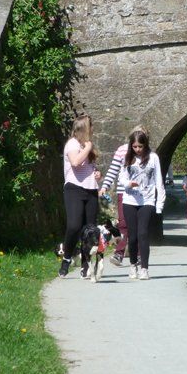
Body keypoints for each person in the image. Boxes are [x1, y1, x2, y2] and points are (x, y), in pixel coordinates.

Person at [117, 129, 165, 280]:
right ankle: (133, 265)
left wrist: (159, 205)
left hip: (147, 201)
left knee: (143, 233)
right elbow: (121, 178)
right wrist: (128, 184)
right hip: (129, 201)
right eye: (135, 146)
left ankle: (144, 268)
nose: (137, 149)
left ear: (145, 145)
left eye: (140, 146)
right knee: (132, 236)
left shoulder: (153, 158)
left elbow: (159, 182)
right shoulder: (128, 158)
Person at [60, 114, 101, 278]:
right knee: (74, 226)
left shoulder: (87, 146)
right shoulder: (72, 144)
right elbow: (75, 162)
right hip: (74, 189)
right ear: (85, 128)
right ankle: (67, 258)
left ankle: (86, 264)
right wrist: (88, 148)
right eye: (91, 126)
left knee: (90, 229)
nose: (93, 129)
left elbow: (89, 168)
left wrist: (97, 173)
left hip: (91, 190)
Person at [99, 124, 146, 267]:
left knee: (138, 226)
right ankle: (121, 253)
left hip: (141, 194)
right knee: (124, 224)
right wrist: (105, 186)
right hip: (124, 193)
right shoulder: (122, 151)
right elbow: (113, 170)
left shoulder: (147, 152)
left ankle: (137, 254)